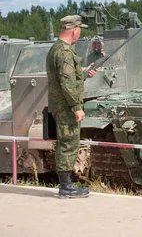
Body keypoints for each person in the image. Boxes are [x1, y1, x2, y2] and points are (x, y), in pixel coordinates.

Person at [46, 15, 96, 198]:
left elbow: (67, 79)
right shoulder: (65, 53)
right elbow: (66, 84)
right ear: (74, 30)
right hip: (67, 107)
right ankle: (66, 186)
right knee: (68, 143)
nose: (79, 33)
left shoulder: (56, 49)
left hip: (61, 105)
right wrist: (77, 107)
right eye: (79, 30)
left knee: (66, 143)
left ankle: (66, 184)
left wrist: (83, 74)